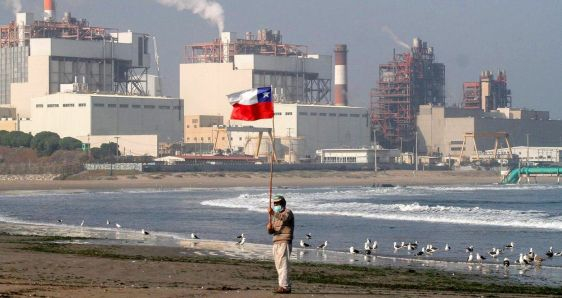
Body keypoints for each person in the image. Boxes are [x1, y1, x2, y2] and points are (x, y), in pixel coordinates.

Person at [267, 194, 294, 294]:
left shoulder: (288, 212)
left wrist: (273, 213)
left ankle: (285, 287)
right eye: (274, 203)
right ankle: (283, 285)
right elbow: (272, 231)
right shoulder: (274, 215)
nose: (276, 205)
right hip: (276, 241)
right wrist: (269, 228)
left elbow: (284, 218)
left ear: (283, 203)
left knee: (283, 264)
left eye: (277, 203)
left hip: (285, 241)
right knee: (278, 265)